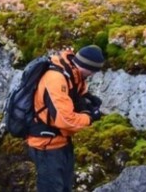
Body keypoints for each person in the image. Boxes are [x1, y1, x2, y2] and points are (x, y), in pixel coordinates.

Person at [27, 45, 105, 192]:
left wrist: (87, 101)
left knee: (65, 188)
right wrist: (89, 118)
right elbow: (65, 120)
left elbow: (76, 97)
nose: (93, 75)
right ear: (88, 67)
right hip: (46, 145)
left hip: (62, 142)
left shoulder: (73, 74)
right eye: (94, 71)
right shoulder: (56, 79)